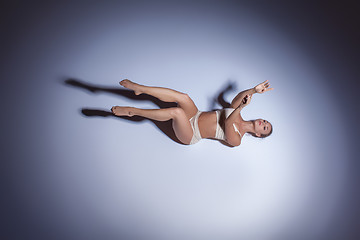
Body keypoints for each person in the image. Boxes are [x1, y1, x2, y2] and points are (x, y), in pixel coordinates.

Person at [111, 79, 273, 146]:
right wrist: (253, 90)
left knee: (177, 112)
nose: (263, 124)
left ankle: (134, 112)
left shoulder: (237, 140)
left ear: (258, 135)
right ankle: (141, 89)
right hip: (195, 114)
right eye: (265, 121)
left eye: (265, 128)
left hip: (190, 134)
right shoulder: (238, 112)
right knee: (184, 97)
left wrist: (241, 108)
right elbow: (238, 98)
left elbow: (228, 123)